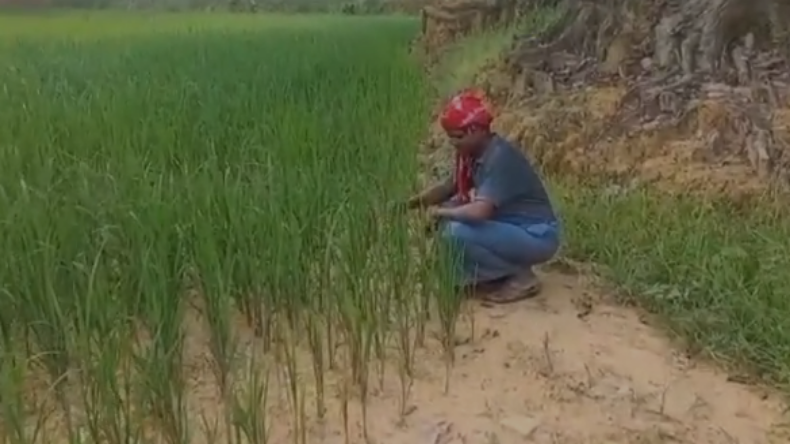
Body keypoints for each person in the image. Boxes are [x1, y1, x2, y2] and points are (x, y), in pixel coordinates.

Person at [407, 90, 560, 303]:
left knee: (455, 230)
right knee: (453, 213)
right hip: (511, 227)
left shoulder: (499, 158)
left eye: (457, 137)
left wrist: (441, 213)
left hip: (536, 235)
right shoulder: (474, 154)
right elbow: (449, 187)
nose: (453, 143)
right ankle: (479, 275)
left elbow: (480, 212)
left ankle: (520, 275)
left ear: (475, 130)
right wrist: (410, 205)